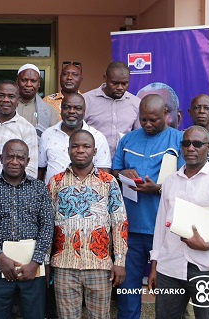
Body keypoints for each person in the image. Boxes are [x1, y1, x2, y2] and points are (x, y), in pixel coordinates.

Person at [112, 94, 185, 319]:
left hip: (165, 229)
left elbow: (186, 183)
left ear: (166, 115)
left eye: (153, 120)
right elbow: (114, 172)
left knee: (166, 291)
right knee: (128, 289)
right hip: (130, 228)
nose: (148, 125)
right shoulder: (127, 140)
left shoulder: (180, 140)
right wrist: (122, 173)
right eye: (143, 120)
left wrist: (159, 189)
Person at [148, 125, 209, 319]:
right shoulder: (170, 182)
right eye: (186, 143)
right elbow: (160, 227)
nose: (191, 148)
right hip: (169, 268)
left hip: (206, 268)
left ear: (208, 148)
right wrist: (154, 267)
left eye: (197, 144)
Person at [48, 130, 128, 318]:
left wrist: (120, 262)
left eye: (86, 146)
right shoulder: (56, 182)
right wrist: (45, 261)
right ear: (68, 150)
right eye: (75, 146)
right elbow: (47, 224)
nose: (80, 150)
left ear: (95, 151)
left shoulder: (108, 182)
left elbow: (119, 222)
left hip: (99, 265)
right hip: (64, 265)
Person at [0, 139, 54, 319]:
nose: (14, 161)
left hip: (33, 268)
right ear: (1, 158)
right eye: (10, 156)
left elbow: (47, 226)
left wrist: (35, 262)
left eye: (20, 157)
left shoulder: (39, 188)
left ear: (28, 161)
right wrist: (0, 258)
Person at [38, 92, 111, 184]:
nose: (71, 111)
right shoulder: (48, 134)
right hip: (52, 195)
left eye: (77, 108)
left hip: (88, 196)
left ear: (84, 111)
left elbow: (103, 174)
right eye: (67, 107)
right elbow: (40, 169)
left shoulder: (97, 137)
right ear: (61, 110)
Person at [84, 62, 141, 158]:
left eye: (124, 83)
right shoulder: (87, 100)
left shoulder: (136, 103)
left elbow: (139, 137)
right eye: (114, 83)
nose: (120, 88)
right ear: (105, 78)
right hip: (94, 162)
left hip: (124, 164)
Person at [0, 80, 38, 179]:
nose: (5, 100)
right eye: (1, 95)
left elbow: (31, 169)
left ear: (18, 100)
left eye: (11, 96)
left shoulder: (27, 129)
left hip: (12, 191)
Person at [15, 63, 60, 136]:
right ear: (17, 82)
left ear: (39, 84)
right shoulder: (4, 107)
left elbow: (53, 139)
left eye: (33, 81)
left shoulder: (50, 112)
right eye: (24, 80)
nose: (28, 84)